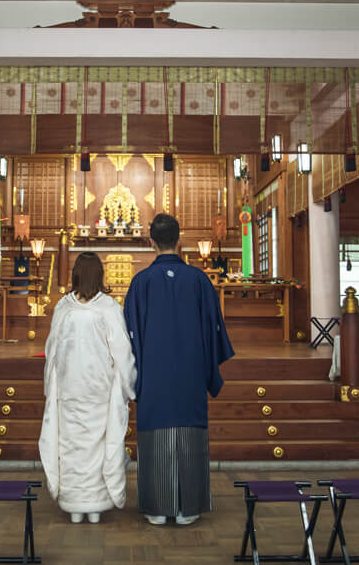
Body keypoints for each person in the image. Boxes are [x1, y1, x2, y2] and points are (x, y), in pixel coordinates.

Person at [124, 213, 235, 526]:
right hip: (189, 375)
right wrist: (206, 368)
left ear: (151, 242)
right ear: (180, 239)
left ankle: (157, 508)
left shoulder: (140, 282)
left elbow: (128, 335)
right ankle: (189, 507)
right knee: (189, 429)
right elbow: (215, 330)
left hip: (154, 377)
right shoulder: (199, 280)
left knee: (155, 431)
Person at [38, 252, 136, 524]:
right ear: (100, 275)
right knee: (98, 443)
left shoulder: (64, 308)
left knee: (71, 445)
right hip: (99, 388)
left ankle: (75, 505)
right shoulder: (108, 308)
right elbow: (122, 352)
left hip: (71, 387)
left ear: (76, 275)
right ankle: (96, 506)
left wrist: (51, 385)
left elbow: (52, 350)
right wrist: (127, 384)